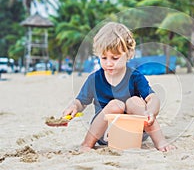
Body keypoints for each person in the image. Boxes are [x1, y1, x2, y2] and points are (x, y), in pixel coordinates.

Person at [63, 22, 175, 152]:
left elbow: (153, 98)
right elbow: (81, 102)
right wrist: (74, 107)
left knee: (135, 101)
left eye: (115, 58)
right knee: (116, 105)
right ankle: (87, 144)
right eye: (104, 58)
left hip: (134, 133)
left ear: (129, 54)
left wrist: (150, 111)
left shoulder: (135, 76)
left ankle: (160, 142)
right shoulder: (94, 79)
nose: (109, 63)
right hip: (104, 133)